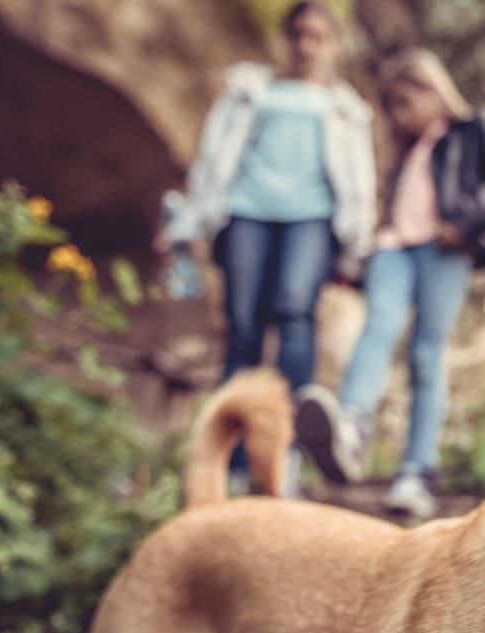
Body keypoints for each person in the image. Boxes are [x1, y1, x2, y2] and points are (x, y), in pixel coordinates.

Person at [159, 1, 376, 495]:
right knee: (242, 330)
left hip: (313, 220)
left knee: (296, 316)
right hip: (245, 213)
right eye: (299, 34)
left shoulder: (346, 109)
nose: (307, 45)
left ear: (333, 46)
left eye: (319, 36)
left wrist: (354, 246)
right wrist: (190, 221)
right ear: (286, 38)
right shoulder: (248, 91)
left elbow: (360, 182)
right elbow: (212, 160)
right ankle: (232, 464)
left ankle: (286, 456)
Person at [295, 49, 485, 519]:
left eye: (404, 102)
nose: (399, 115)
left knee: (425, 353)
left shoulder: (474, 127)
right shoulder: (406, 154)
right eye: (392, 107)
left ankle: (416, 471)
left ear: (431, 90)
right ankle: (351, 429)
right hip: (394, 249)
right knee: (377, 327)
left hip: (445, 249)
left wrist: (463, 223)